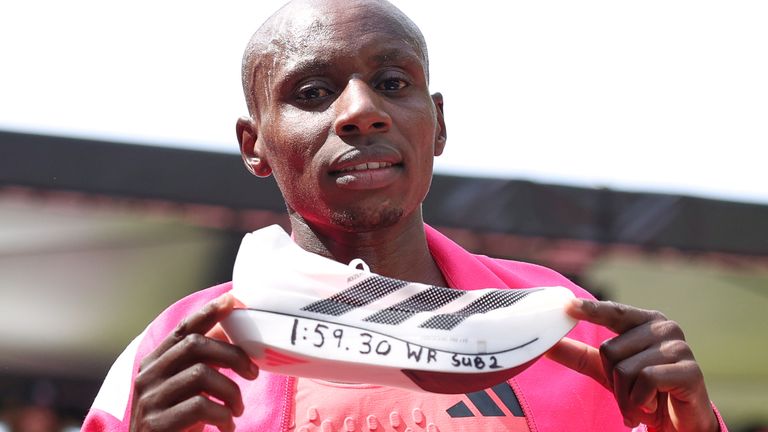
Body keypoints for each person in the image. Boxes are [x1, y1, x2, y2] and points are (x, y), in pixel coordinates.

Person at [83, 0, 727, 430]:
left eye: (393, 83)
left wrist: (696, 425)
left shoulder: (570, 327)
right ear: (255, 145)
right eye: (312, 92)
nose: (361, 111)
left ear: (438, 124)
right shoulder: (174, 352)